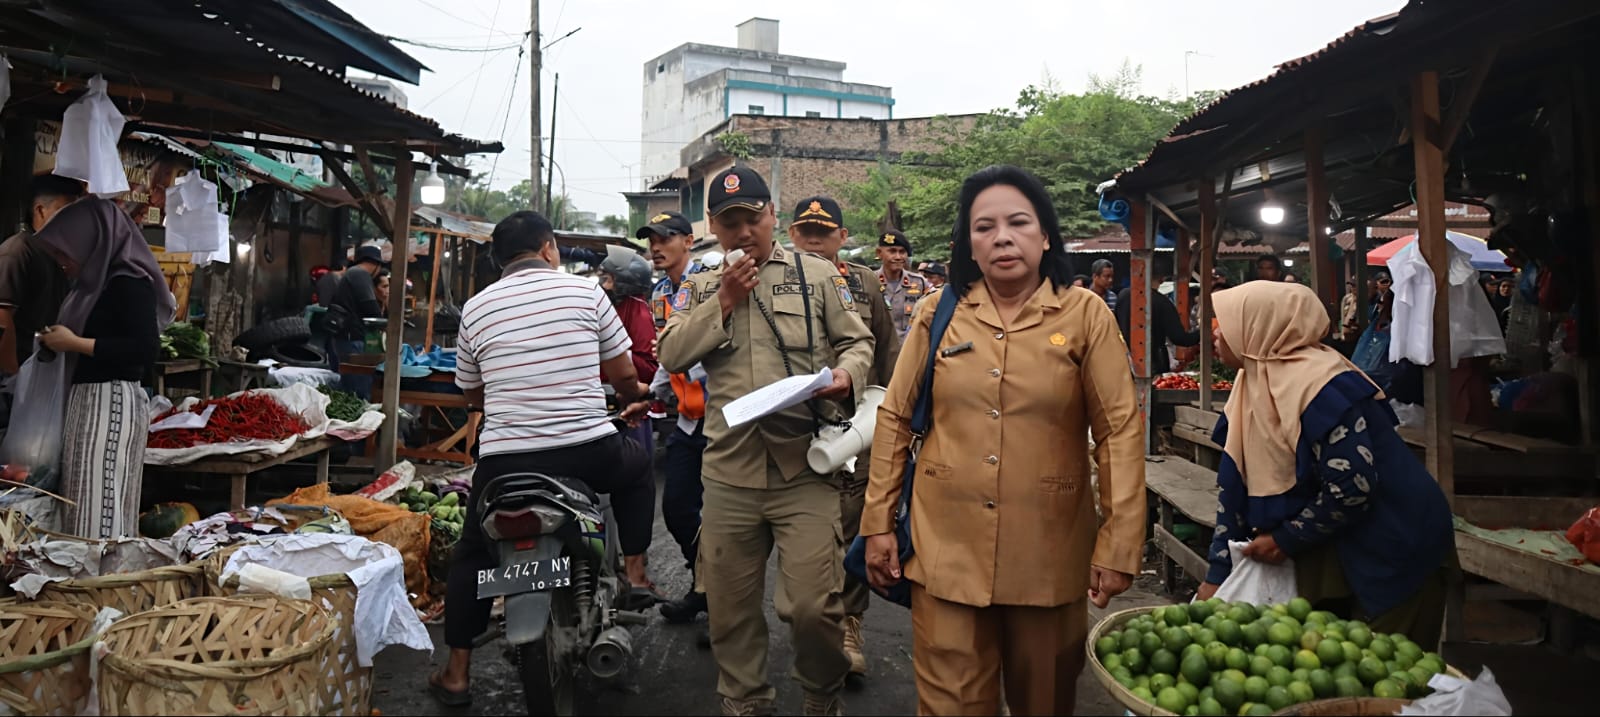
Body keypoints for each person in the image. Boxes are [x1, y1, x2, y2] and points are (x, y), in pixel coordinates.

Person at [861, 165, 1146, 716]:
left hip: (1050, 550)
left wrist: (1119, 540)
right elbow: (895, 416)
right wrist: (877, 522)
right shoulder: (937, 312)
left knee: (1044, 700)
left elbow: (1117, 431)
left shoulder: (1084, 313)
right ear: (969, 242)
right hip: (945, 545)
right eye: (984, 227)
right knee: (949, 706)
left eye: (1018, 222)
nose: (1002, 238)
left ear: (1045, 235)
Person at [657, 166, 873, 717]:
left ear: (772, 214)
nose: (743, 232)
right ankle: (744, 699)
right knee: (729, 609)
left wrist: (847, 374)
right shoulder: (700, 285)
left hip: (805, 465)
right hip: (729, 472)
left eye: (753, 218)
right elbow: (672, 353)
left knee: (813, 607)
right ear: (713, 225)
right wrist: (723, 302)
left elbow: (857, 341)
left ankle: (821, 695)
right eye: (730, 222)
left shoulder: (817, 274)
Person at [430, 211, 658, 707]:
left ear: (498, 261)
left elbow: (472, 395)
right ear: (550, 248)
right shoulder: (585, 293)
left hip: (505, 462)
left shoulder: (475, 307)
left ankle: (455, 672)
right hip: (586, 451)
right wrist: (638, 393)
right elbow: (622, 377)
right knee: (639, 470)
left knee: (471, 555)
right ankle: (636, 573)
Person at [1195, 281, 1455, 648]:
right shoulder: (1251, 383)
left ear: (1260, 327)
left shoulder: (1322, 383)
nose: (1216, 334)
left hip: (1397, 539)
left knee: (1386, 674)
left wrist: (1285, 538)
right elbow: (1234, 485)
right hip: (1340, 545)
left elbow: (1353, 486)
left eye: (1227, 323)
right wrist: (1217, 573)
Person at [788, 195, 900, 681]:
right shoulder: (770, 281)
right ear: (791, 235)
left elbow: (888, 353)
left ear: (842, 237)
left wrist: (897, 418)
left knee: (853, 529)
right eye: (805, 232)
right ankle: (814, 626)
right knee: (807, 538)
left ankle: (849, 628)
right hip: (793, 430)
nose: (814, 239)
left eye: (824, 232)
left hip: (856, 427)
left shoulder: (864, 283)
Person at [34, 196, 176, 539]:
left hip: (110, 403)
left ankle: (97, 585)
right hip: (88, 403)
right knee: (87, 501)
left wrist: (74, 343)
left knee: (98, 506)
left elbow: (144, 349)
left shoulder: (129, 281)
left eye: (65, 252)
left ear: (90, 241)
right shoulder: (90, 288)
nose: (63, 262)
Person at [640, 211, 715, 626]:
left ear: (689, 241)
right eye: (651, 240)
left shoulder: (712, 282)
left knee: (720, 514)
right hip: (688, 419)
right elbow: (667, 357)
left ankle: (717, 601)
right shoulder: (658, 294)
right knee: (678, 508)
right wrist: (650, 394)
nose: (656, 247)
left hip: (724, 419)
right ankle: (705, 584)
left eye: (665, 238)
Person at [0, 175, 82, 375]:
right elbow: (3, 316)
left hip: (47, 371)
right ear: (40, 210)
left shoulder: (62, 254)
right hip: (20, 373)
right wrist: (13, 375)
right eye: (65, 212)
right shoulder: (17, 251)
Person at [1114, 277, 1201, 373]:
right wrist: (1203, 332)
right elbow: (1179, 338)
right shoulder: (1162, 303)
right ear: (1162, 279)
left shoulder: (1122, 296)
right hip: (1155, 363)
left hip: (1124, 362)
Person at [327, 245, 386, 370]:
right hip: (352, 338)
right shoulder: (360, 274)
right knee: (357, 382)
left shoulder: (351, 273)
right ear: (376, 264)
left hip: (344, 337)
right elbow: (371, 308)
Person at [876, 230, 930, 339]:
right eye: (892, 251)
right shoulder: (870, 280)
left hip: (909, 349)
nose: (898, 257)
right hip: (879, 351)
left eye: (902, 252)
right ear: (879, 253)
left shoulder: (919, 283)